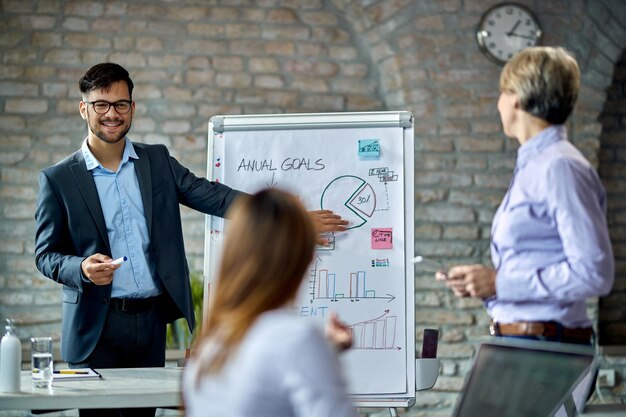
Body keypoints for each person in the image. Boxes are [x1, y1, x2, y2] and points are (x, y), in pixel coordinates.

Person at [34, 63, 347, 417]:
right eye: (101, 105)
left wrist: (289, 218)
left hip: (150, 321)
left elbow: (213, 196)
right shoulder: (58, 179)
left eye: (121, 104)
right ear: (84, 109)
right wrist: (82, 268)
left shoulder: (157, 161)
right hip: (95, 324)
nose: (111, 114)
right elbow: (45, 255)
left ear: (133, 109)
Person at [438, 46, 614, 346]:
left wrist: (499, 282)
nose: (498, 104)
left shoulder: (559, 167)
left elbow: (594, 272)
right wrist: (487, 286)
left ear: (516, 98)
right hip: (528, 343)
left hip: (546, 345)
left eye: (501, 93)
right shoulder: (537, 165)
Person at [182, 188, 357, 417]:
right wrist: (319, 356)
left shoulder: (211, 342)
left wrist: (323, 352)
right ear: (300, 258)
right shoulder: (295, 339)